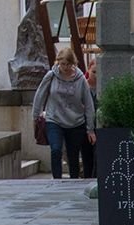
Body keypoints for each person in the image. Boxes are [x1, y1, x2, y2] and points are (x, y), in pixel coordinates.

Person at [32, 46, 96, 180]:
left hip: (75, 122)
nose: (65, 67)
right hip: (54, 119)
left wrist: (90, 129)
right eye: (62, 64)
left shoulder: (80, 79)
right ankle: (57, 180)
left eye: (68, 64)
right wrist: (35, 115)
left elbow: (89, 104)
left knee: (73, 157)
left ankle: (73, 182)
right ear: (58, 62)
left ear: (73, 64)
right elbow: (40, 94)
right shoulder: (51, 76)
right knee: (56, 150)